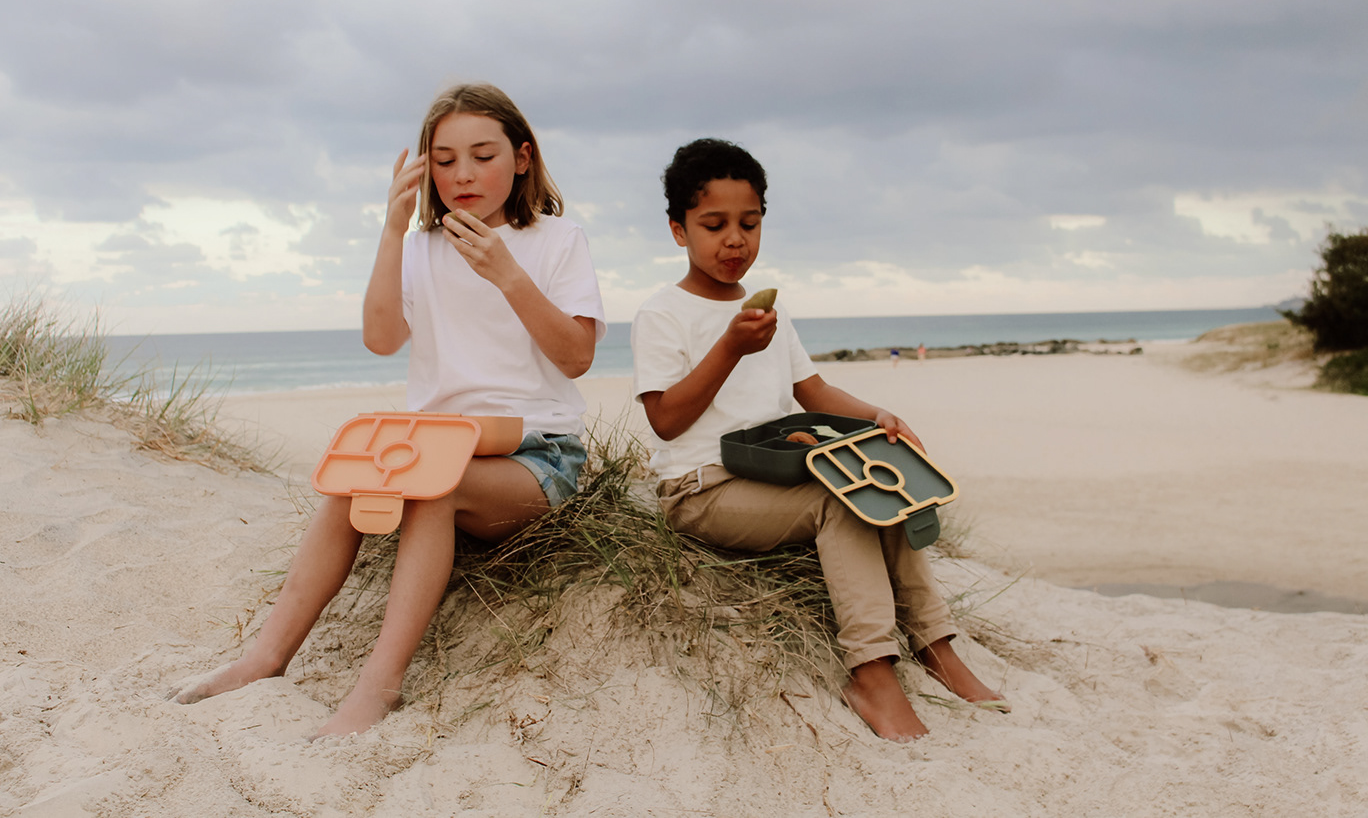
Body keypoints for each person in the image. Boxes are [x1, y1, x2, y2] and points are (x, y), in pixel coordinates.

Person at [173, 83, 606, 736]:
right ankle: (264, 657)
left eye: (483, 155)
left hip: (537, 453)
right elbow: (380, 339)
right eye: (445, 160)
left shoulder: (556, 239)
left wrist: (506, 273)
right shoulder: (422, 248)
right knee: (352, 480)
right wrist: (392, 229)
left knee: (433, 489)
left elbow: (576, 357)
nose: (463, 174)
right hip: (442, 441)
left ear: (522, 158)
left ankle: (380, 685)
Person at [630, 138, 1005, 742]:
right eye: (714, 225)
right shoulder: (662, 314)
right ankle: (872, 672)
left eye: (750, 223)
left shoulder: (767, 316)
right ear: (679, 230)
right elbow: (666, 420)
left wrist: (879, 416)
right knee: (843, 502)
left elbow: (814, 391)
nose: (735, 240)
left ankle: (936, 644)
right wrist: (730, 347)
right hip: (699, 489)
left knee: (887, 487)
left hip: (772, 472)